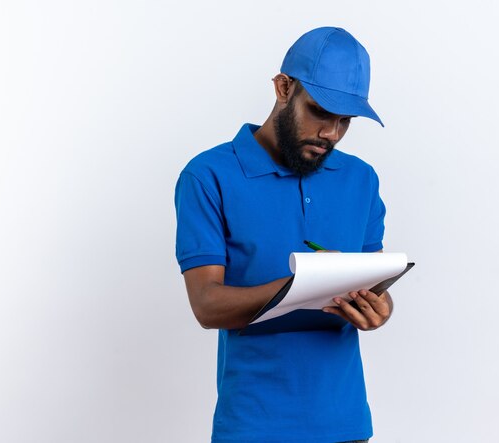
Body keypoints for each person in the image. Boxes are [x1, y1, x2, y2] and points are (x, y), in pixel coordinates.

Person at [175, 26, 393, 443]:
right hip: (254, 427)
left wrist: (378, 309)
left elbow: (373, 285)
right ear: (283, 87)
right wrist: (303, 285)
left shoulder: (361, 180)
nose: (331, 132)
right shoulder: (208, 176)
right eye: (320, 111)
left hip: (346, 424)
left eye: (344, 120)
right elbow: (206, 305)